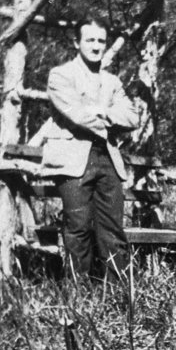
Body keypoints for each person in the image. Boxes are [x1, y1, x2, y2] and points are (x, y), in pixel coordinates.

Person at [40, 18, 142, 282]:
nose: (96, 46)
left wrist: (102, 111)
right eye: (90, 40)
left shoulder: (112, 81)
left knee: (112, 229)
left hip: (108, 158)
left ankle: (118, 296)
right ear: (77, 42)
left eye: (101, 41)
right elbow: (76, 114)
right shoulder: (60, 76)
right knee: (78, 227)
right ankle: (78, 298)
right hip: (74, 160)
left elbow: (132, 118)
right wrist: (110, 118)